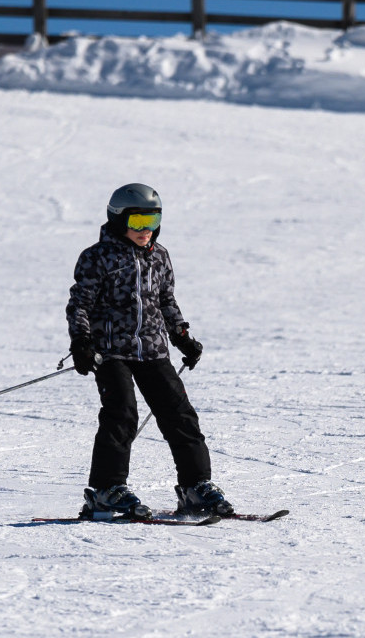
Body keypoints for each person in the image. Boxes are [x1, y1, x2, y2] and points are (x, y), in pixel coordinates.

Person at [66, 183, 233, 520]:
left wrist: (181, 336)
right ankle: (105, 490)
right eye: (138, 221)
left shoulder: (160, 256)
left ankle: (195, 486)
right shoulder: (97, 258)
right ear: (117, 220)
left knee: (180, 416)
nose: (146, 230)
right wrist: (81, 342)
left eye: (152, 221)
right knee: (121, 414)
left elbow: (165, 300)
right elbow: (79, 304)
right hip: (111, 351)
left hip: (153, 350)